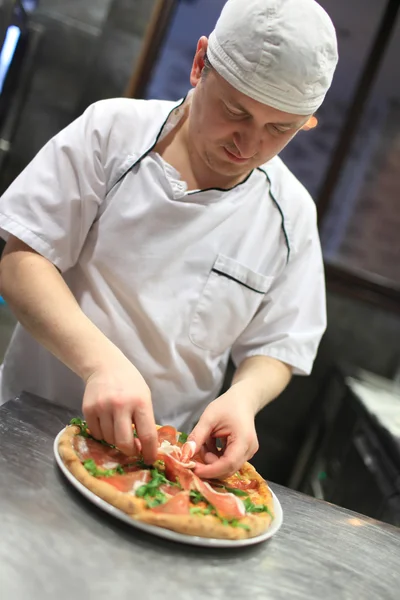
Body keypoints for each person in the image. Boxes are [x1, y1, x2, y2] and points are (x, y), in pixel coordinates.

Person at [0, 0, 338, 479]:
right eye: (235, 112)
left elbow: (280, 345)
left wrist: (243, 398)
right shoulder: (110, 132)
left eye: (279, 129)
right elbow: (21, 261)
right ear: (200, 65)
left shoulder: (291, 213)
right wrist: (100, 365)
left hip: (157, 464)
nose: (248, 144)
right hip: (28, 424)